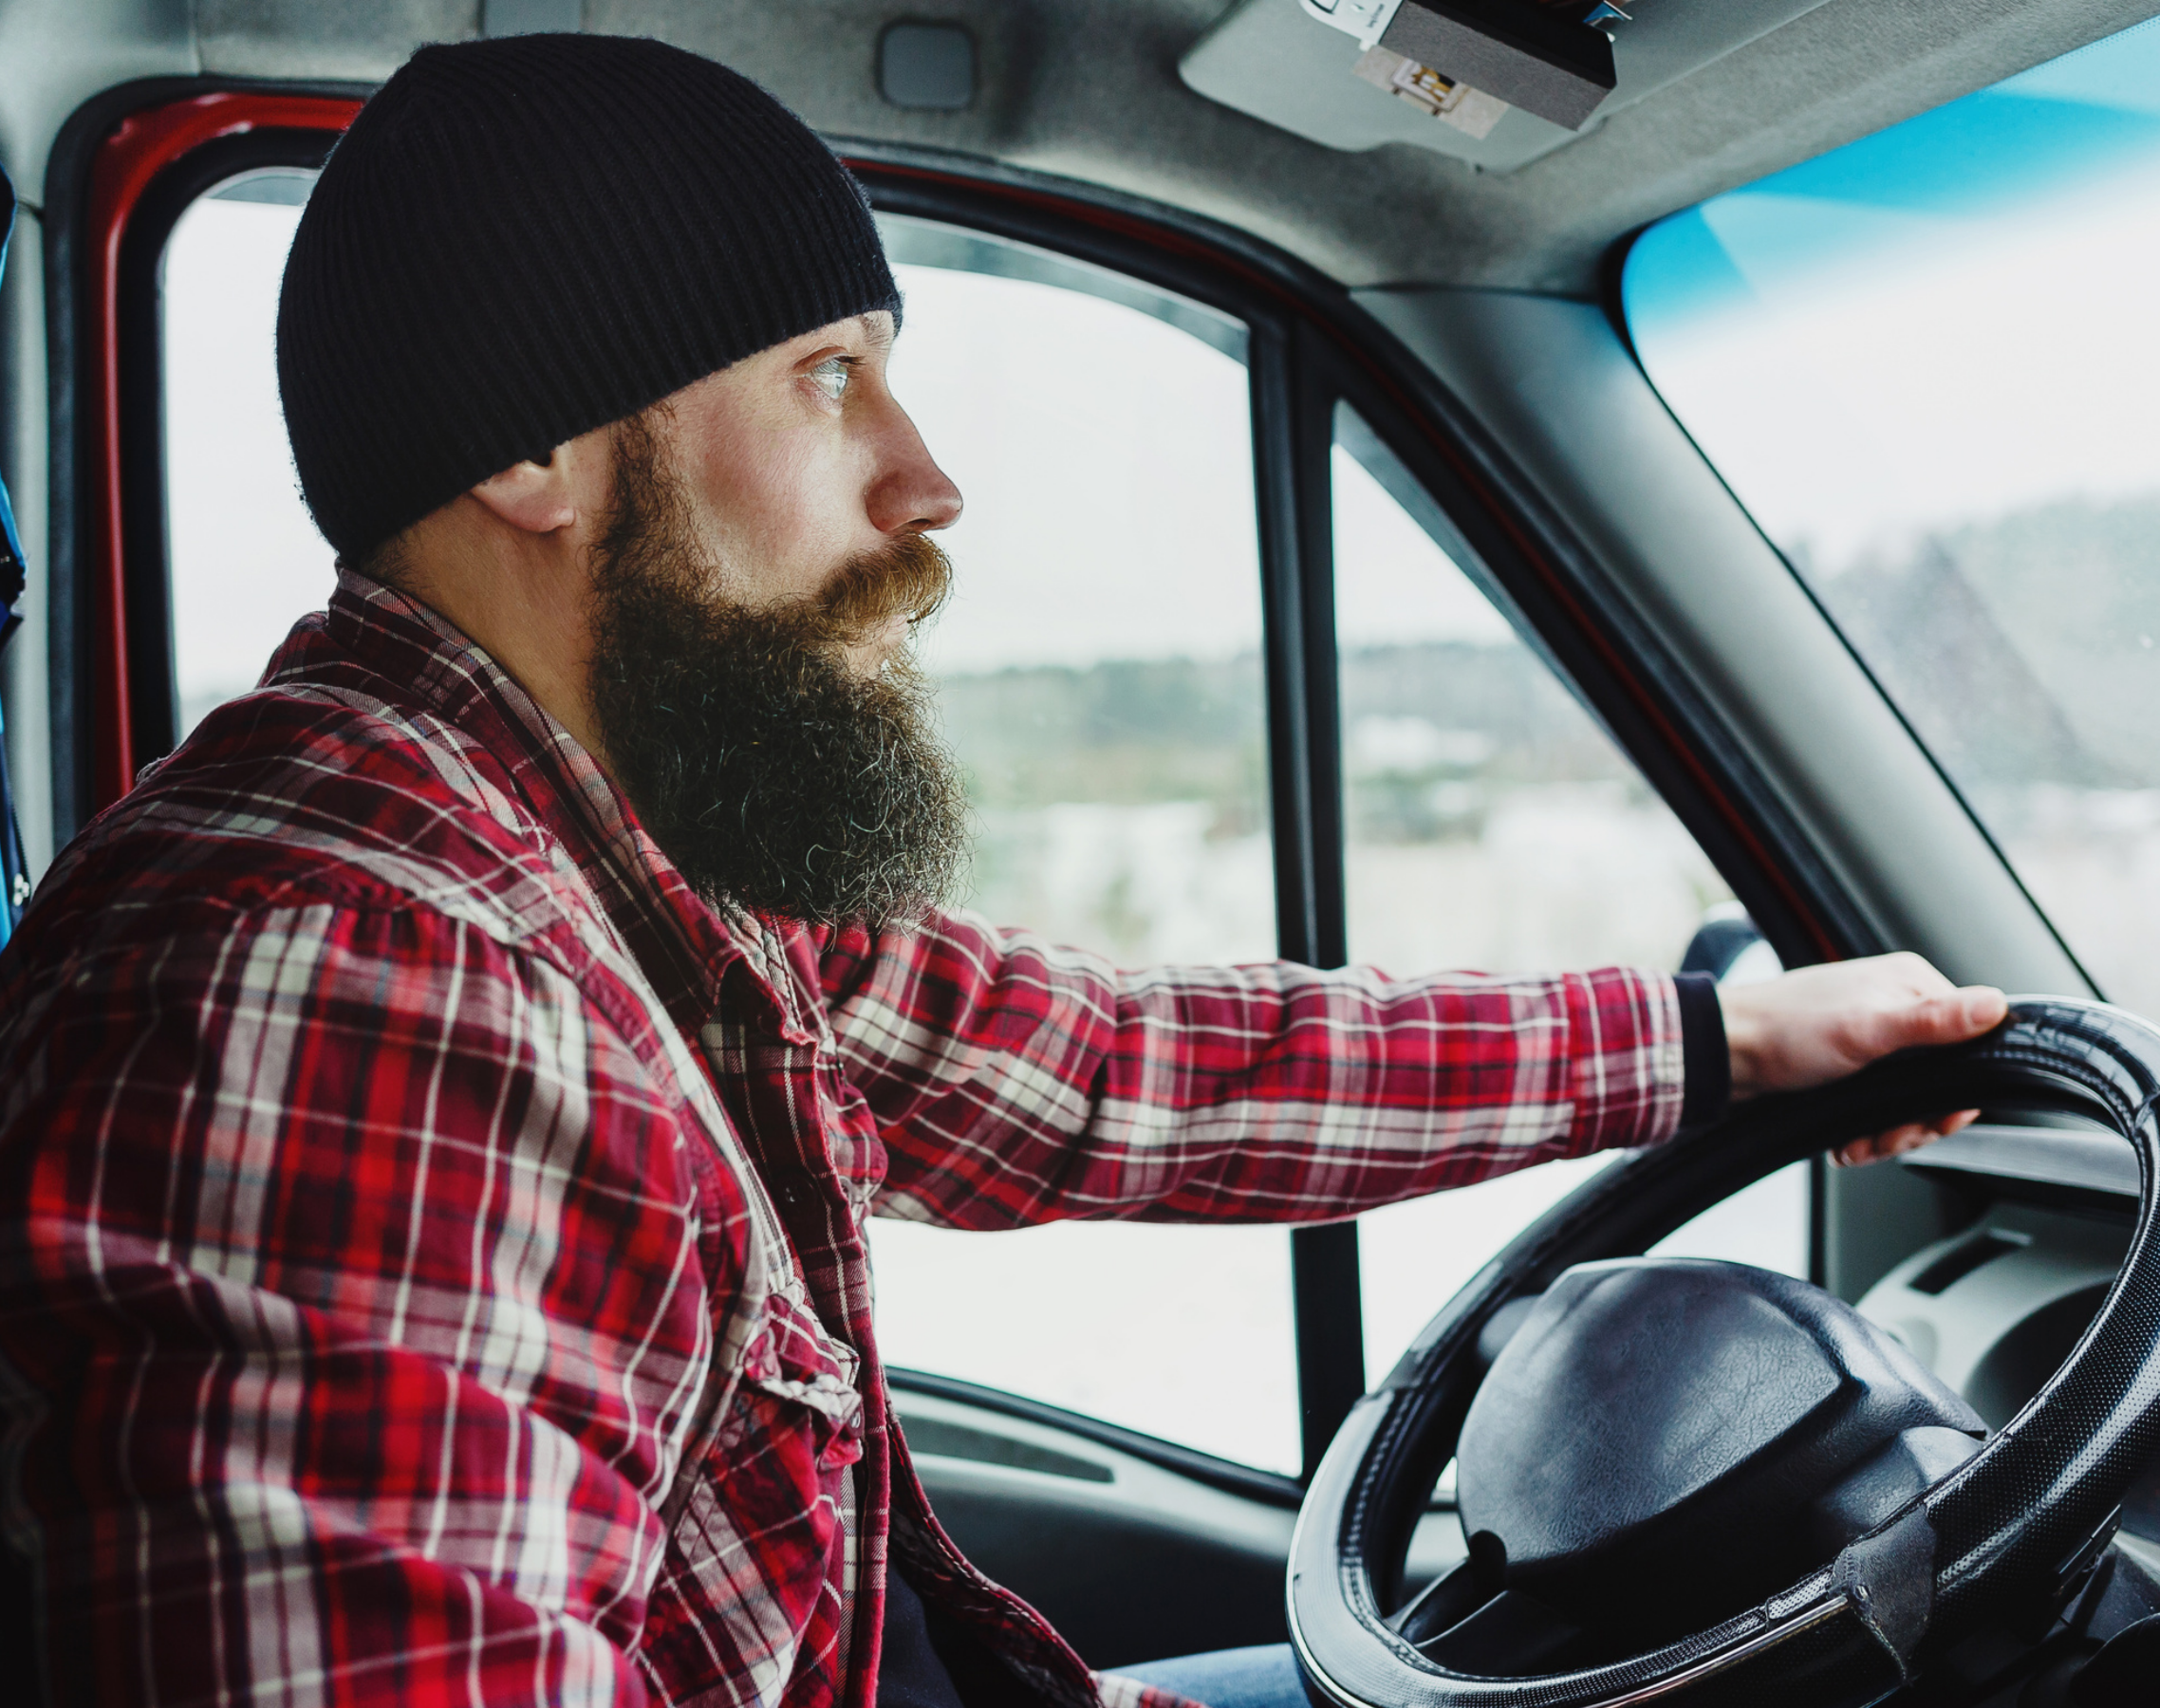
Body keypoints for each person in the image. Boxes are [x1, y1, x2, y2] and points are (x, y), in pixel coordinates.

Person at [0, 32, 2006, 1708]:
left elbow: (1116, 1068)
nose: (925, 476)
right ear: (537, 452)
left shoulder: (621, 857)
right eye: (825, 377)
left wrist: (1715, 1044)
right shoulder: (359, 977)